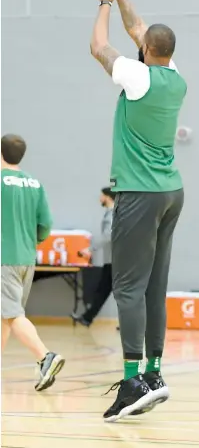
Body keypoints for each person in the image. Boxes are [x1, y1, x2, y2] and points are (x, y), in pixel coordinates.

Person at [89, 0, 186, 422]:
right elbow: (140, 29)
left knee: (127, 288)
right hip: (171, 192)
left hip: (140, 193)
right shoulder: (175, 76)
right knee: (155, 288)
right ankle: (155, 373)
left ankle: (132, 382)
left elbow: (99, 47)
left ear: (147, 52)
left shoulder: (135, 75)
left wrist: (103, 4)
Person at [1, 134, 65, 390]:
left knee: (12, 314)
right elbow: (46, 224)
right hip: (27, 257)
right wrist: (31, 239)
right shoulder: (34, 183)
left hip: (3, 258)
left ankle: (44, 356)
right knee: (6, 315)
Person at [71, 187, 116, 327]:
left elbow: (108, 235)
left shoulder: (112, 215)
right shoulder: (111, 214)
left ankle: (88, 317)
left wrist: (90, 249)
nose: (99, 198)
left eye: (101, 196)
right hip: (112, 260)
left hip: (116, 261)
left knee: (117, 293)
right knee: (103, 290)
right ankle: (87, 318)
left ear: (108, 197)